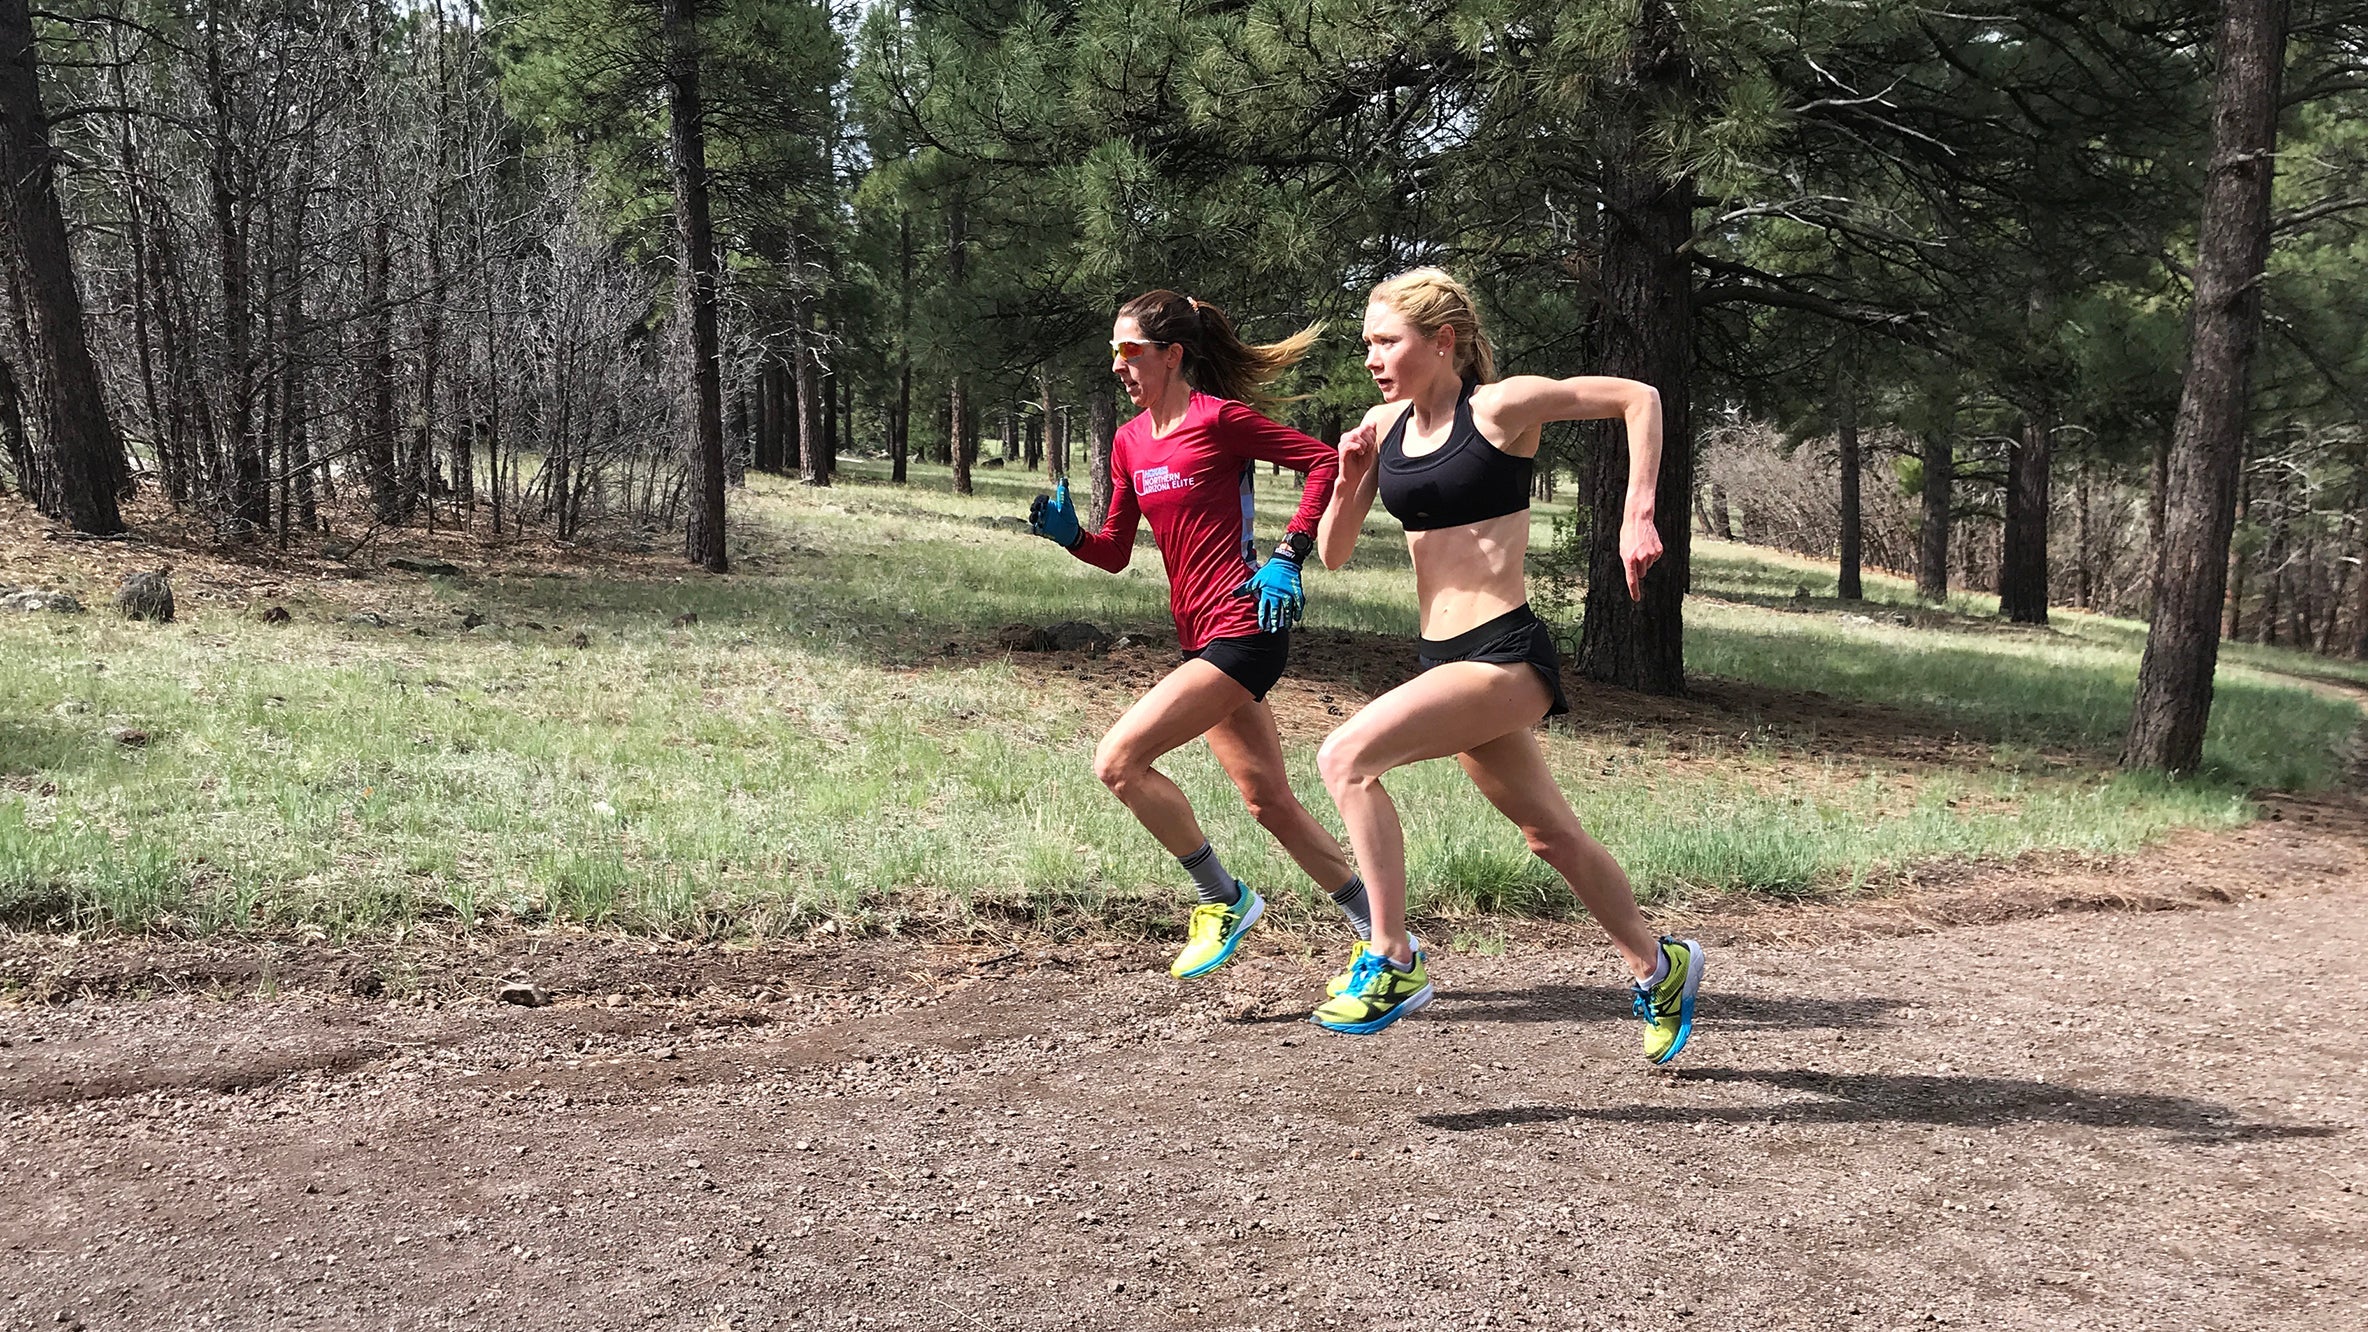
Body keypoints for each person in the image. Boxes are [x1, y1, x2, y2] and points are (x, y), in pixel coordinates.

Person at [1307, 267, 1703, 1062]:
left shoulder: (1499, 408)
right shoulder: (1381, 428)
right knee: (1548, 836)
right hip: (1442, 658)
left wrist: (1637, 509)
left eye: (1387, 341)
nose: (1372, 358)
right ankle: (1661, 966)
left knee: (1345, 759)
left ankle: (1392, 956)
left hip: (1504, 654)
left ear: (1441, 341)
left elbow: (1638, 397)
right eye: (1367, 345)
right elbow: (1334, 553)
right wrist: (1350, 481)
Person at [1027, 290, 1375, 981]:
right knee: (1268, 802)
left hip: (1245, 625)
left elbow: (1322, 463)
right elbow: (1116, 550)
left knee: (1118, 762)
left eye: (1131, 351)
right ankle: (1386, 937)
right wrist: (1071, 538)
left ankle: (1222, 897)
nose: (1119, 366)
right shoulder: (1128, 442)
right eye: (1114, 353)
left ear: (1172, 355)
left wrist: (1288, 555)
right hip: (1198, 636)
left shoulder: (1221, 421)